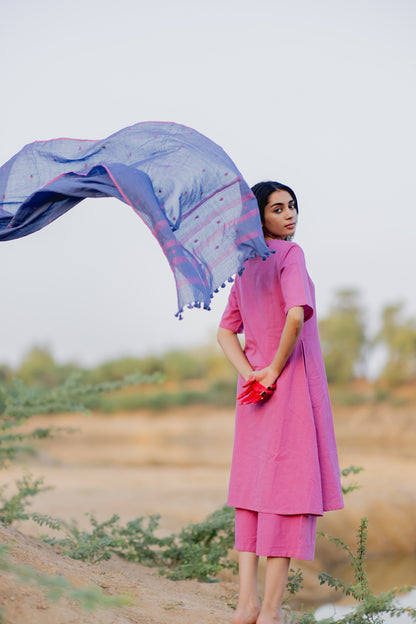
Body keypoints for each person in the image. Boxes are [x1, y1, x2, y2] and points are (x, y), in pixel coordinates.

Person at [217, 181, 344, 624]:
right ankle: (269, 611)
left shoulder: (245, 265)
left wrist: (249, 373)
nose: (289, 214)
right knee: (287, 497)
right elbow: (295, 314)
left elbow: (225, 333)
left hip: (252, 396)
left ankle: (245, 605)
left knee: (252, 494)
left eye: (292, 206)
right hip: (288, 389)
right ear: (258, 216)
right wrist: (272, 369)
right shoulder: (290, 254)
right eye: (277, 208)